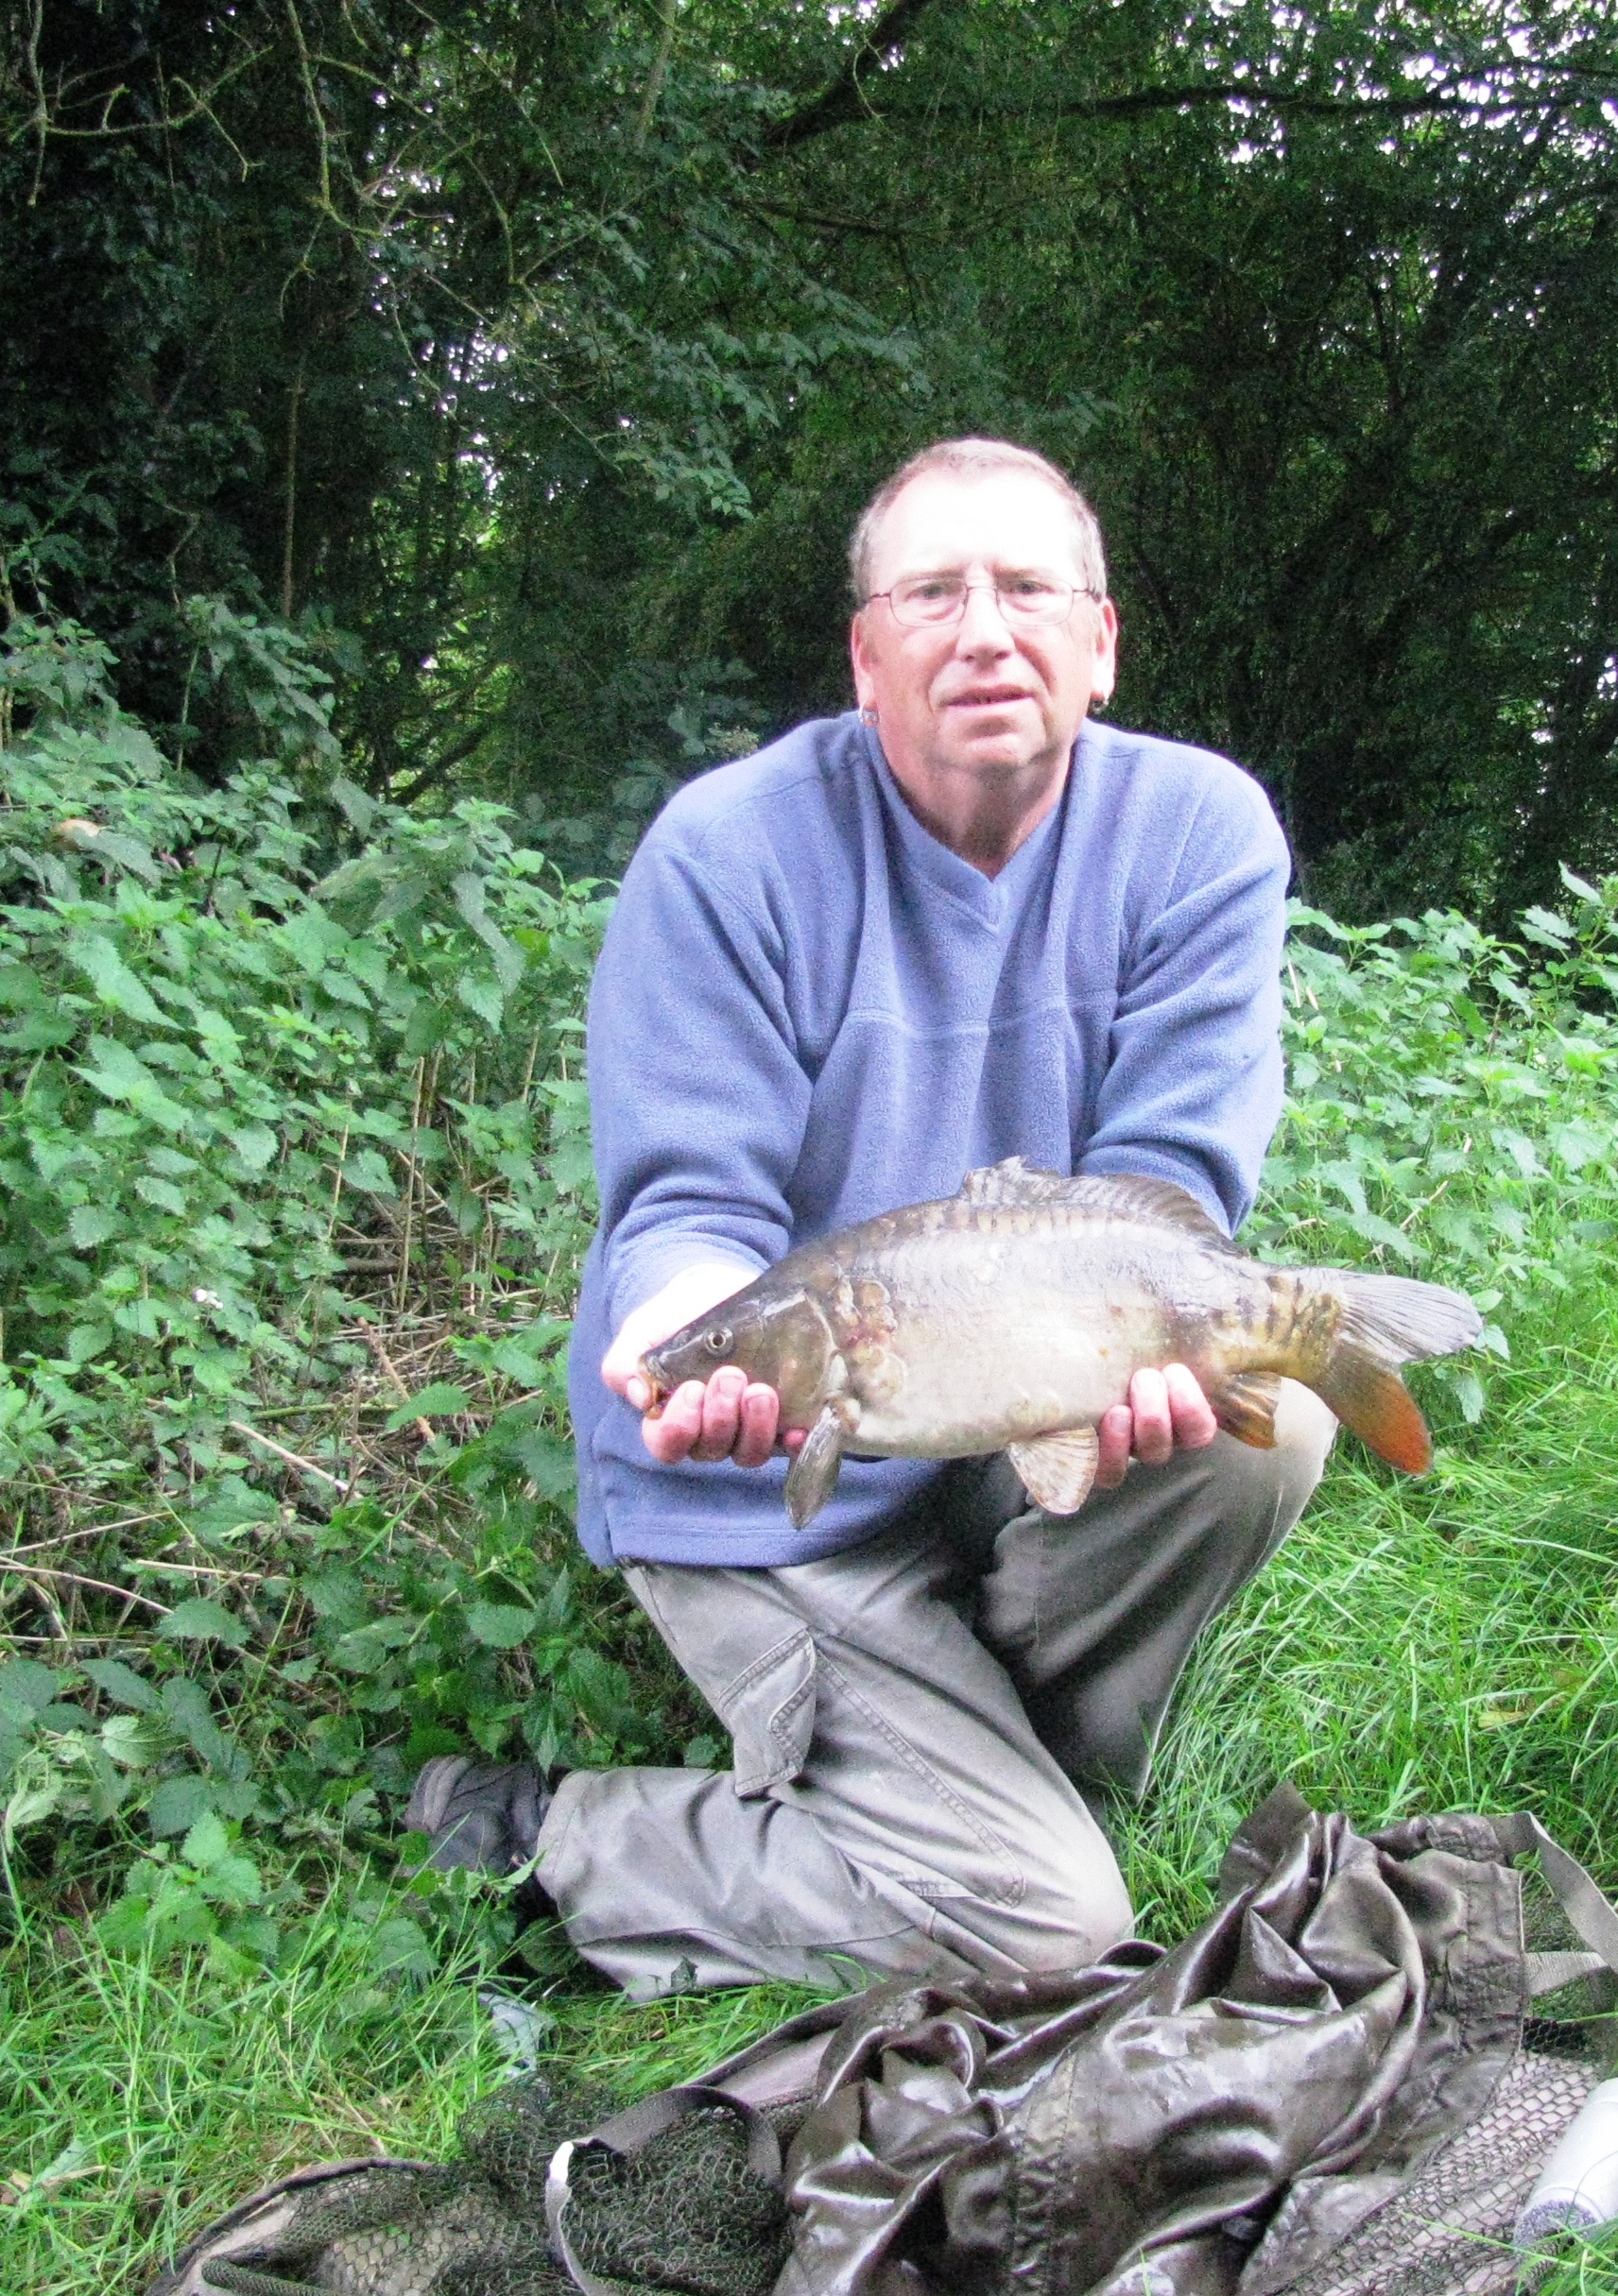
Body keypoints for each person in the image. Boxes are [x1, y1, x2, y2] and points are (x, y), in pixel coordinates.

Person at [407, 437, 1334, 1997]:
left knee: (1280, 1417)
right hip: (782, 1465)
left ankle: (994, 1781)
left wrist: (1171, 1337)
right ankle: (560, 1832)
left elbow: (1173, 1182)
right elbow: (691, 1203)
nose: (986, 630)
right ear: (865, 654)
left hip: (1010, 1396)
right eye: (932, 594)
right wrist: (679, 1340)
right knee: (1051, 1933)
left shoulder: (1197, 832)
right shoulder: (730, 851)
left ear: (1100, 643)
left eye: (1031, 588)